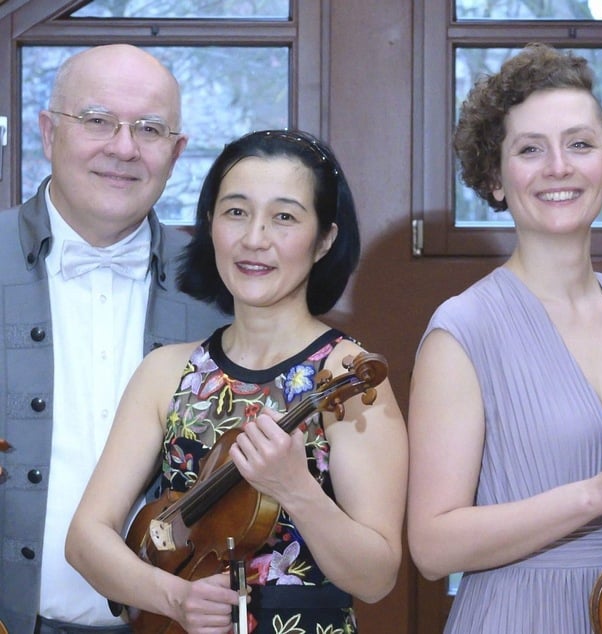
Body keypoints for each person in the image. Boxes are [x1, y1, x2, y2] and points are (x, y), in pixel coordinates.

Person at [407, 43, 602, 632]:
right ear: (495, 177)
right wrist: (599, 493)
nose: (559, 167)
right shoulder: (462, 331)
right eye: (530, 149)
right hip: (516, 614)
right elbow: (433, 545)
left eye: (580, 144)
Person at [66, 129, 408, 634]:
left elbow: (376, 577)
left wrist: (296, 488)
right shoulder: (168, 372)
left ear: (325, 240)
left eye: (285, 217)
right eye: (236, 212)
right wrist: (175, 597)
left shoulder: (347, 377)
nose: (254, 239)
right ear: (211, 226)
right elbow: (85, 539)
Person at [0, 44, 226, 634]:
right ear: (48, 133)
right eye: (97, 120)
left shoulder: (221, 289)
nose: (123, 148)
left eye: (149, 129)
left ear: (176, 154)